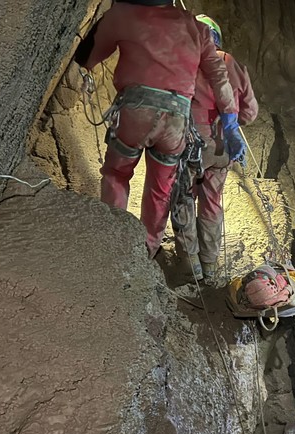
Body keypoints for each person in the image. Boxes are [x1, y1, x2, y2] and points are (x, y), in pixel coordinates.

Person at [74, 0, 243, 258]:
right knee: (161, 188)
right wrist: (231, 125)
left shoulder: (123, 14)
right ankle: (146, 250)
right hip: (176, 118)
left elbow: (85, 58)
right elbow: (219, 78)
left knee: (117, 173)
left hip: (136, 110)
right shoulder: (195, 27)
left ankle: (111, 241)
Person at [172, 14, 259, 281]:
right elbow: (250, 111)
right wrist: (228, 125)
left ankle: (191, 264)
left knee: (182, 196)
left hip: (188, 143)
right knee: (212, 201)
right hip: (222, 147)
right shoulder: (230, 62)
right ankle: (209, 264)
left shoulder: (183, 61)